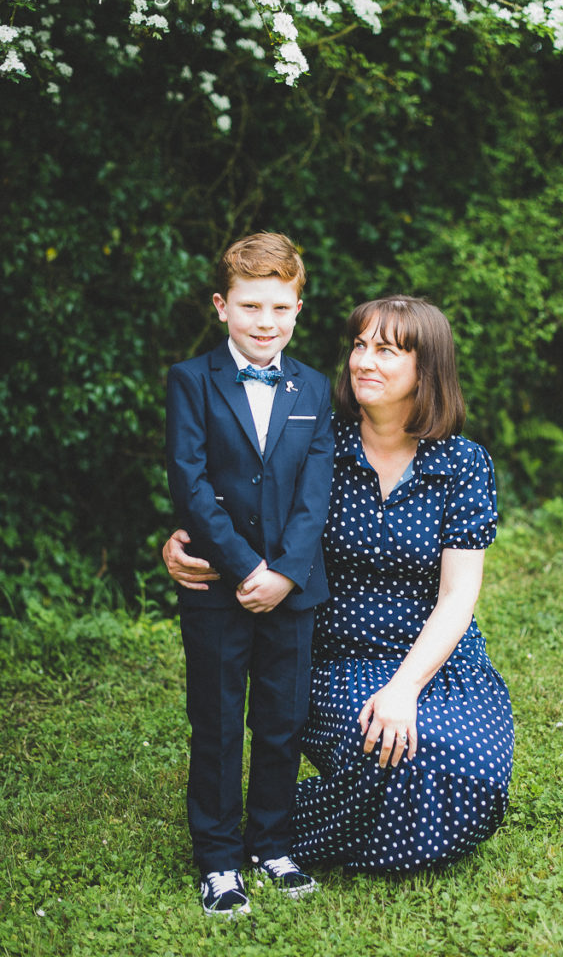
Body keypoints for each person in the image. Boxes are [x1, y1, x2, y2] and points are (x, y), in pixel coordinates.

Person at [164, 295, 513, 875]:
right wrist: (181, 541)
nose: (363, 361)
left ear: (426, 369)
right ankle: (273, 833)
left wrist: (405, 689)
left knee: (472, 764)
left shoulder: (464, 463)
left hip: (436, 657)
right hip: (334, 657)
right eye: (359, 345)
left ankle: (283, 825)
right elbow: (240, 496)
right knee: (393, 753)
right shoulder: (319, 438)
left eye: (386, 350)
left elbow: (458, 596)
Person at [165, 232, 334, 916]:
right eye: (250, 305)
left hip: (293, 593)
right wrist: (244, 568)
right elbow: (190, 482)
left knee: (281, 720)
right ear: (221, 305)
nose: (265, 322)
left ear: (299, 308)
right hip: (217, 587)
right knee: (216, 719)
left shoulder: (315, 388)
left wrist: (285, 573)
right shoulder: (191, 381)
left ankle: (271, 843)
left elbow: (314, 491)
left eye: (280, 307)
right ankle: (217, 858)